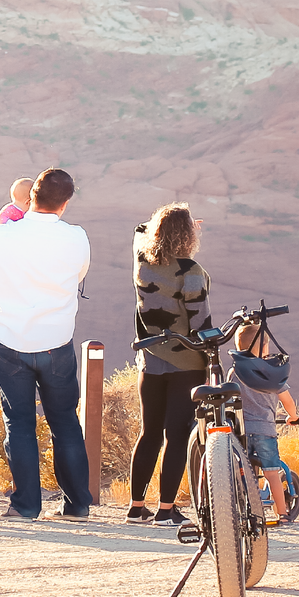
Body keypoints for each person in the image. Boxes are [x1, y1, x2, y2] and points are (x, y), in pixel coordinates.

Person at [0, 167, 94, 520]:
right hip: (56, 343)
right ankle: (77, 504)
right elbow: (79, 273)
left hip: (9, 341)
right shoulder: (76, 237)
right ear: (65, 203)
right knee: (65, 421)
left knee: (19, 424)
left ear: (31, 196)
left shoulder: (0, 235)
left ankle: (25, 506)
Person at [126, 203, 211, 527]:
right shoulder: (191, 272)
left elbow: (139, 232)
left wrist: (163, 224)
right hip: (186, 363)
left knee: (150, 433)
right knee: (176, 435)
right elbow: (200, 322)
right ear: (187, 236)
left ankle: (136, 508)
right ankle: (165, 510)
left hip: (150, 361)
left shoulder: (142, 263)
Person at [233, 319, 299, 523]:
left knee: (240, 471)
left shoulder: (235, 371)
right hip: (265, 430)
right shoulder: (271, 372)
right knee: (272, 472)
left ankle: (241, 510)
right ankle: (282, 514)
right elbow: (286, 399)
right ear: (263, 346)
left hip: (241, 431)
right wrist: (293, 416)